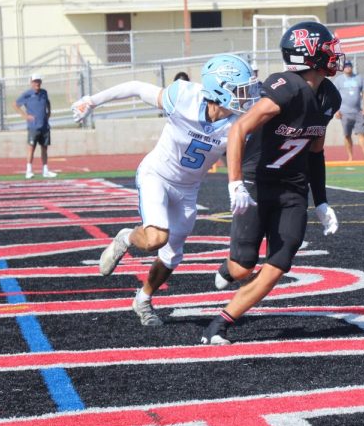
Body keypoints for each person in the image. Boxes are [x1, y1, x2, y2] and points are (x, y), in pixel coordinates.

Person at [70, 55, 259, 326]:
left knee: (172, 256)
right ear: (219, 90)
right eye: (239, 90)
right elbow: (136, 86)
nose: (246, 97)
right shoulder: (183, 96)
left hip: (189, 188)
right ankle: (126, 238)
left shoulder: (239, 122)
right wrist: (92, 100)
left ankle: (143, 299)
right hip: (156, 175)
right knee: (155, 238)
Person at [205, 21, 342, 345]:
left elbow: (315, 151)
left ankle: (221, 323)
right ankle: (229, 270)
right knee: (242, 268)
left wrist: (320, 200)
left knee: (280, 262)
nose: (334, 54)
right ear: (309, 55)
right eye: (327, 49)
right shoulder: (286, 87)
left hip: (292, 188)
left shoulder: (329, 97)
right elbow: (239, 130)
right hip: (257, 180)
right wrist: (235, 183)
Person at [14, 74, 57, 179]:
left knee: (44, 148)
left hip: (44, 126)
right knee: (31, 148)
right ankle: (28, 171)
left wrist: (49, 112)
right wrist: (25, 116)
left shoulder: (44, 92)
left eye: (38, 81)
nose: (37, 83)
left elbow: (48, 102)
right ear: (31, 82)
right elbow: (15, 104)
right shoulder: (27, 94)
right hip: (33, 126)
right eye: (35, 81)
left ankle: (45, 170)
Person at [333, 60, 364, 162]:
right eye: (346, 66)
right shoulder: (338, 80)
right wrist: (336, 110)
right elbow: (333, 95)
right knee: (347, 135)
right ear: (343, 68)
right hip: (344, 113)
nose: (348, 68)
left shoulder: (359, 78)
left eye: (349, 66)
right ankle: (350, 157)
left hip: (358, 112)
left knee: (362, 134)